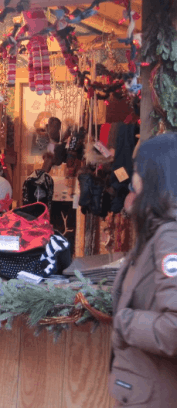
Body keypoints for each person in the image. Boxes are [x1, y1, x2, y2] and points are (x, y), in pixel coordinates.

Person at [110, 133, 177, 407]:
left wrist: (125, 322)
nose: (132, 177)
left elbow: (174, 328)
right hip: (143, 388)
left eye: (137, 168)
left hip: (153, 393)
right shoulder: (157, 228)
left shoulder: (168, 236)